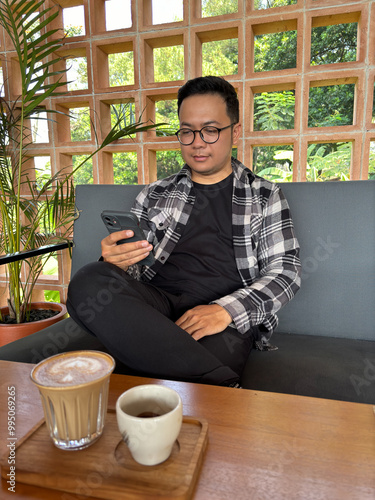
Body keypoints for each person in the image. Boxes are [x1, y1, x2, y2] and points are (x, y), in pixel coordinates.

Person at [67, 76, 301, 387]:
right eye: (187, 131)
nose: (197, 142)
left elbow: (286, 273)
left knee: (213, 351)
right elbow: (130, 275)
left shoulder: (264, 195)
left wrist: (224, 311)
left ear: (235, 131)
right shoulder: (154, 194)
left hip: (222, 317)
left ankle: (158, 362)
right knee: (88, 280)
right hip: (154, 306)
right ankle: (219, 385)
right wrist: (117, 261)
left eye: (211, 130)